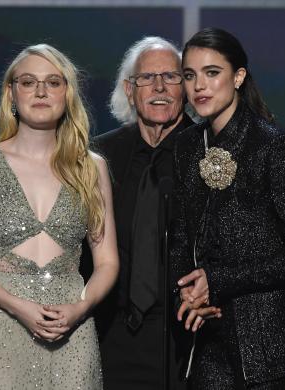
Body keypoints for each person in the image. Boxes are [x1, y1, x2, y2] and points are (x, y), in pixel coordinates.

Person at [0, 43, 118, 389]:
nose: (41, 91)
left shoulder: (91, 167)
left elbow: (107, 263)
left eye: (53, 82)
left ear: (67, 93)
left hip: (71, 325)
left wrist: (80, 307)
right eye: (28, 82)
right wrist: (15, 305)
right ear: (11, 93)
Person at [170, 27, 285, 390]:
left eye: (212, 73)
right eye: (190, 75)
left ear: (238, 77)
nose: (199, 87)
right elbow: (181, 234)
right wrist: (186, 290)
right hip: (206, 331)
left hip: (267, 336)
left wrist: (218, 280)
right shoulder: (187, 146)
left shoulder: (271, 146)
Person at [89, 36, 218, 390]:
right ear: (130, 91)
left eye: (172, 77)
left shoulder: (212, 154)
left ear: (186, 89)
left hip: (189, 338)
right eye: (147, 78)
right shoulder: (99, 155)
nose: (159, 87)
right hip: (110, 336)